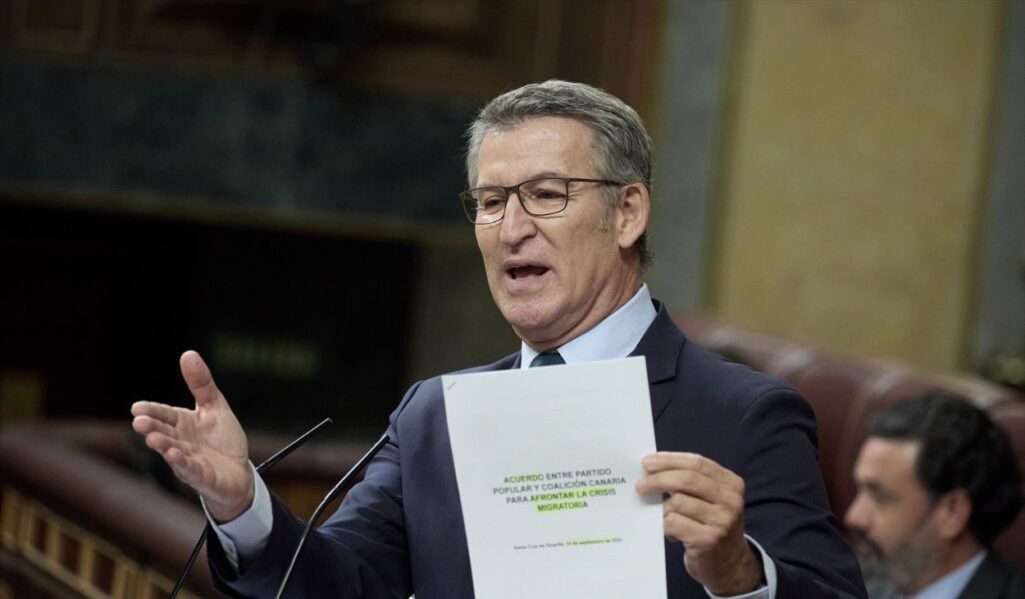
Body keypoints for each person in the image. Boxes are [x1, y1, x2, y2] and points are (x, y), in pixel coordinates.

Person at [131, 80, 865, 598]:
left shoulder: (742, 411)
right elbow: (344, 584)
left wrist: (743, 575)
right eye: (489, 201)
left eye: (546, 194)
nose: (512, 227)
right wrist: (242, 506)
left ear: (628, 212)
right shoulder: (435, 412)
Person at [844, 391, 1025, 598]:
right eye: (860, 490)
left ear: (952, 513)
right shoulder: (862, 589)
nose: (854, 516)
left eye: (881, 497)